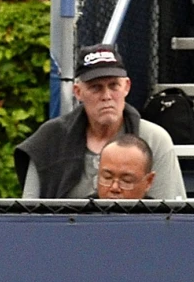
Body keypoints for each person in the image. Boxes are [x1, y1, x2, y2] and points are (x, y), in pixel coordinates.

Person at [17, 42, 184, 199]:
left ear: (127, 87)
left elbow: (168, 216)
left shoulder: (155, 139)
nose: (106, 96)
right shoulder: (49, 140)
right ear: (78, 92)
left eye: (113, 86)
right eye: (95, 87)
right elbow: (30, 215)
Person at [92, 132, 155, 199]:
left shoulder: (162, 208)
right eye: (107, 177)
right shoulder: (82, 207)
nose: (114, 188)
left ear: (148, 181)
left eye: (126, 181)